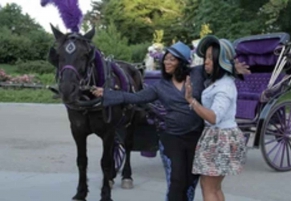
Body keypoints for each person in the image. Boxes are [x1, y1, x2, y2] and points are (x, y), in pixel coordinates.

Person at [92, 41, 249, 201]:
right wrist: (107, 94)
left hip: (197, 137)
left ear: (181, 62)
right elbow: (134, 97)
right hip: (172, 136)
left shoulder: (197, 74)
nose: (167, 62)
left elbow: (218, 66)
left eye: (172, 59)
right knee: (177, 180)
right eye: (165, 59)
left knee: (192, 182)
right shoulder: (160, 87)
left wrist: (234, 69)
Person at [184, 35, 247, 201]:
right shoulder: (220, 82)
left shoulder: (224, 87)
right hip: (220, 136)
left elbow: (213, 117)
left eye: (211, 58)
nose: (206, 61)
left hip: (220, 138)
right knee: (214, 187)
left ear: (221, 61)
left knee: (209, 187)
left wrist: (191, 101)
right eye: (205, 57)